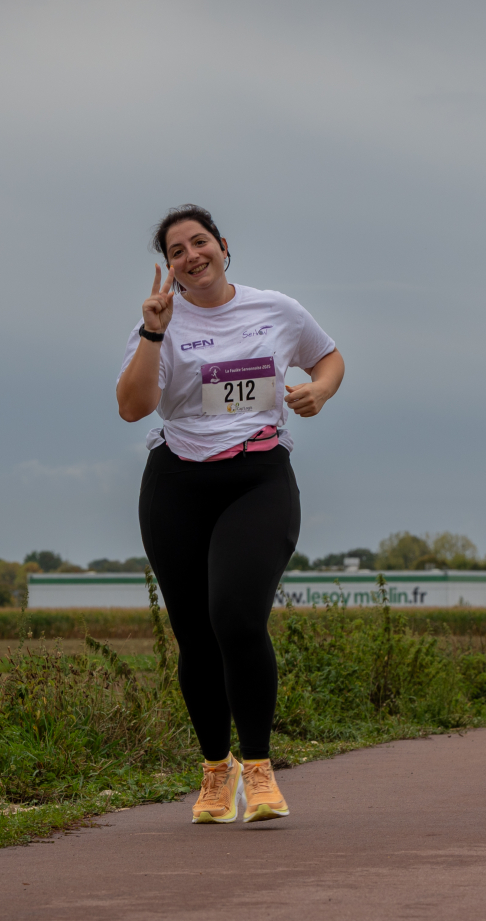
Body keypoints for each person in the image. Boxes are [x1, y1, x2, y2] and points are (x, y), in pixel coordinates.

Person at [117, 204, 345, 824]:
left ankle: (260, 769)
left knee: (237, 618)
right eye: (177, 251)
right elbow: (133, 407)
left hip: (258, 476)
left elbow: (328, 358)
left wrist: (320, 390)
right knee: (194, 633)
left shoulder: (276, 309)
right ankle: (216, 772)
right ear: (169, 269)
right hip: (177, 484)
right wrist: (153, 333)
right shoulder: (159, 322)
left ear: (223, 245)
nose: (192, 256)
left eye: (200, 242)